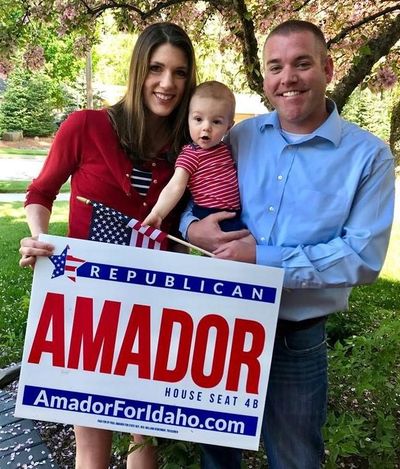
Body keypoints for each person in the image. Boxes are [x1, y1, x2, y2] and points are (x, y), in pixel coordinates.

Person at [180, 20, 395, 468]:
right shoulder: (239, 136)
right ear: (264, 78)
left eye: (302, 63)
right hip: (221, 323)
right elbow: (199, 196)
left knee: (294, 458)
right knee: (216, 455)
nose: (288, 78)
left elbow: (362, 257)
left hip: (295, 335)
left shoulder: (368, 156)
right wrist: (189, 227)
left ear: (328, 68)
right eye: (275, 67)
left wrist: (263, 257)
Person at [19, 22, 197, 469]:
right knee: (92, 449)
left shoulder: (190, 148)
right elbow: (40, 193)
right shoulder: (86, 126)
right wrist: (40, 239)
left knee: (144, 442)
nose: (166, 83)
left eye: (179, 72)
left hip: (155, 309)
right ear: (139, 70)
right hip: (87, 306)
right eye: (156, 69)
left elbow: (199, 217)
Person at [142, 80, 245, 232]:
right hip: (208, 213)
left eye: (216, 122)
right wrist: (158, 213)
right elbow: (175, 186)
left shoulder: (226, 149)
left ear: (228, 127)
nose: (206, 127)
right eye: (198, 119)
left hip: (234, 215)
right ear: (188, 120)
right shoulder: (191, 154)